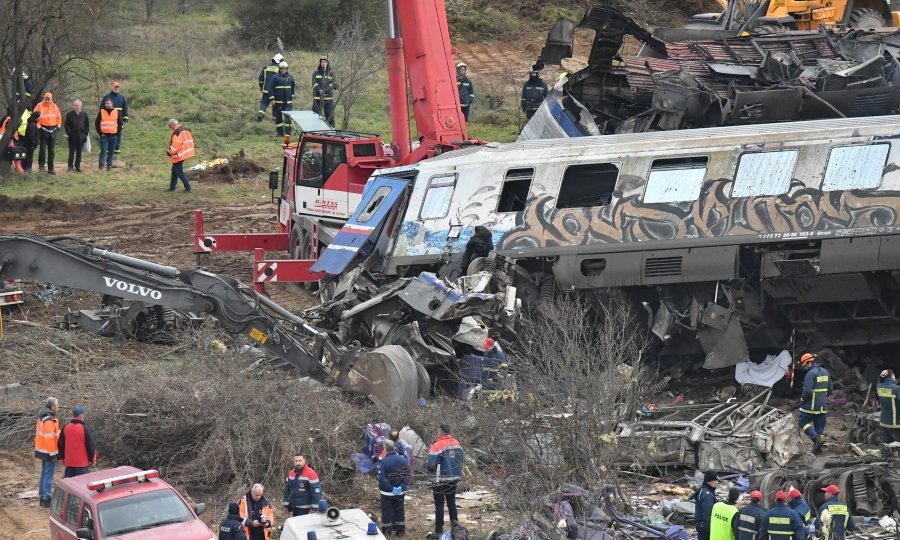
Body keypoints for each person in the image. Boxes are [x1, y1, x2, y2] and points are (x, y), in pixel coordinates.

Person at [425, 424, 464, 540]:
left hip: (440, 480)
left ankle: (439, 530)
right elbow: (461, 459)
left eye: (438, 431)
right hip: (454, 478)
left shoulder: (437, 445)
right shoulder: (457, 443)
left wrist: (427, 467)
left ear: (441, 432)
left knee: (439, 504)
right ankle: (455, 527)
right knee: (452, 502)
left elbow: (430, 465)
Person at [797, 352, 832, 451]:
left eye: (804, 365)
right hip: (822, 406)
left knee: (802, 421)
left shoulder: (810, 374)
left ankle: (817, 439)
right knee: (819, 428)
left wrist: (802, 399)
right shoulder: (825, 372)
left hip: (810, 406)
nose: (804, 367)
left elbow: (807, 391)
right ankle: (820, 448)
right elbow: (830, 389)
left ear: (807, 363)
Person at [377, 439, 410, 537]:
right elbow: (408, 476)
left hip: (386, 493)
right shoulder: (403, 460)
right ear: (394, 448)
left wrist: (391, 488)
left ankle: (387, 533)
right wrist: (401, 487)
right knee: (399, 510)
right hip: (400, 493)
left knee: (387, 512)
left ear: (385, 449)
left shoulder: (383, 462)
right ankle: (400, 533)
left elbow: (381, 478)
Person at [34, 396, 60, 507]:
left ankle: (42, 496)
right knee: (48, 475)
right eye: (57, 405)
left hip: (42, 450)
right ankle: (46, 499)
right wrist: (53, 454)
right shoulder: (49, 420)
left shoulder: (43, 416)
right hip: (48, 451)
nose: (58, 407)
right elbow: (49, 438)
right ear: (52, 406)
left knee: (44, 474)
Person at [57, 406, 97, 478]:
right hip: (82, 464)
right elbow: (90, 446)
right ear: (81, 416)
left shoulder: (66, 427)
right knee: (82, 485)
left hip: (69, 463)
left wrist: (62, 457)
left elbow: (60, 444)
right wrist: (92, 458)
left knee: (69, 486)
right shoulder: (85, 428)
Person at [33, 92, 62, 174]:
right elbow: (34, 117)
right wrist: (39, 127)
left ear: (51, 99)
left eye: (48, 99)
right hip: (43, 129)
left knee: (51, 150)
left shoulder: (55, 107)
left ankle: (51, 168)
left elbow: (59, 117)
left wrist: (58, 127)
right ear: (44, 98)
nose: (47, 100)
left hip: (53, 129)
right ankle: (41, 167)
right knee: (42, 149)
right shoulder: (39, 106)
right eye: (46, 99)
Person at [264, 61, 294, 138]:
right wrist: (272, 99)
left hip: (288, 101)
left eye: (285, 68)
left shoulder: (290, 77)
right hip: (277, 102)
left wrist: (292, 96)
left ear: (287, 69)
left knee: (288, 117)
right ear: (279, 69)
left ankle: (288, 133)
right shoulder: (274, 77)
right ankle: (280, 133)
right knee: (278, 117)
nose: (283, 70)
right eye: (282, 68)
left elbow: (293, 87)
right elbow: (270, 89)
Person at [100, 81, 128, 163]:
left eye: (118, 87)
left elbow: (125, 109)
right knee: (107, 142)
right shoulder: (106, 97)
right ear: (112, 87)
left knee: (118, 141)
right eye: (115, 87)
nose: (116, 88)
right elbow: (101, 110)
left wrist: (125, 119)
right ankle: (107, 160)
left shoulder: (122, 98)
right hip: (108, 126)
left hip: (118, 125)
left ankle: (115, 159)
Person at [165, 119, 194, 193]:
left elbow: (176, 144)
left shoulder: (177, 132)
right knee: (174, 171)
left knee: (179, 172)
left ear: (172, 125)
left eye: (170, 127)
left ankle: (188, 188)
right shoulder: (183, 129)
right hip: (184, 153)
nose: (170, 128)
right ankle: (172, 187)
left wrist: (170, 152)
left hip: (178, 155)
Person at [877, 369, 900, 457]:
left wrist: (880, 376)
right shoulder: (897, 389)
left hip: (883, 422)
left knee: (886, 446)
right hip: (895, 423)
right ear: (892, 377)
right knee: (898, 446)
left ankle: (886, 462)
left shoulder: (879, 387)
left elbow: (878, 382)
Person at [96, 98, 122, 171]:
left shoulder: (116, 112)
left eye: (108, 103)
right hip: (104, 136)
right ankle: (101, 166)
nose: (106, 105)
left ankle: (109, 166)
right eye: (105, 103)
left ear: (112, 104)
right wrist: (100, 133)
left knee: (111, 151)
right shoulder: (101, 112)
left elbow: (120, 123)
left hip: (113, 136)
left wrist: (117, 133)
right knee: (103, 151)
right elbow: (97, 123)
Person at [693, 470, 719, 540]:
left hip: (701, 526)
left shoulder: (703, 490)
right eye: (715, 480)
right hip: (705, 528)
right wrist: (710, 530)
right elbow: (708, 514)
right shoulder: (707, 495)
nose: (717, 482)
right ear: (709, 481)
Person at [64, 99, 89, 172]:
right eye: (75, 105)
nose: (76, 106)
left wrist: (85, 134)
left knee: (79, 153)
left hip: (81, 137)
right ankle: (70, 166)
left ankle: (78, 166)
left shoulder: (84, 115)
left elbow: (87, 125)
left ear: (81, 106)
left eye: (78, 105)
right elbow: (66, 125)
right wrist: (69, 133)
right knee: (71, 152)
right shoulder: (69, 114)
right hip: (72, 138)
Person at [258, 53, 284, 120]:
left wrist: (261, 86)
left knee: (264, 102)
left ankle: (261, 113)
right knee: (276, 104)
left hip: (266, 90)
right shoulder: (280, 69)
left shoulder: (266, 67)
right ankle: (275, 118)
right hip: (276, 91)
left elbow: (260, 78)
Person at [312, 56, 337, 125]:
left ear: (327, 63)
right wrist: (320, 91)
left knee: (330, 115)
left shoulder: (331, 73)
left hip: (328, 98)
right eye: (322, 62)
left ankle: (331, 132)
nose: (323, 63)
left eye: (325, 62)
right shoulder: (315, 73)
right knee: (316, 115)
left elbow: (332, 84)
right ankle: (316, 131)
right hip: (317, 97)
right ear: (320, 63)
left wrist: (325, 91)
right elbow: (314, 83)